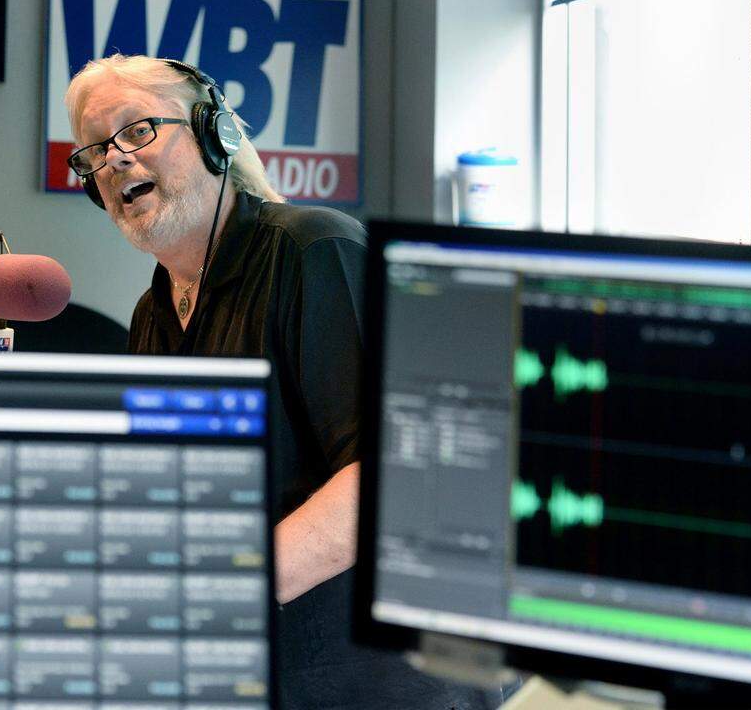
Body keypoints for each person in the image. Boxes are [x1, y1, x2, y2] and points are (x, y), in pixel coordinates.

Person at [64, 54, 494, 709]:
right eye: (95, 150)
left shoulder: (313, 250)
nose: (114, 159)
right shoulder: (153, 312)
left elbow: (390, 479)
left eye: (138, 130)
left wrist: (226, 588)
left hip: (376, 687)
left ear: (215, 135)